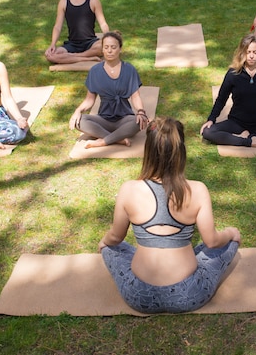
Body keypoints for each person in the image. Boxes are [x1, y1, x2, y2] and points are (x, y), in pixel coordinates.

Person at [99, 116, 241, 314]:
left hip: (139, 295)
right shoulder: (197, 190)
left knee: (112, 249)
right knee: (227, 245)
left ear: (148, 151)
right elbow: (212, 241)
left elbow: (115, 237)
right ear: (181, 151)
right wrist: (231, 233)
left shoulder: (129, 189)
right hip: (189, 294)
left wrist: (104, 242)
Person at [69, 31, 148, 148]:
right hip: (103, 119)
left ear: (120, 49)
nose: (109, 51)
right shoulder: (95, 71)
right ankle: (118, 139)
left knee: (137, 122)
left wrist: (141, 112)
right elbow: (89, 100)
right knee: (81, 120)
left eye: (113, 47)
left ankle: (103, 141)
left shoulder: (129, 69)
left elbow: (135, 96)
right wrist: (77, 111)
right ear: (102, 50)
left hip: (124, 119)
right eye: (106, 47)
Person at [45, 0, 109, 64]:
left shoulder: (94, 1)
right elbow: (57, 27)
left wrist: (109, 39)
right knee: (50, 55)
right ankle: (87, 58)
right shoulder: (63, 3)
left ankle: (74, 57)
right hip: (72, 44)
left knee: (101, 47)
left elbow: (103, 24)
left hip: (90, 42)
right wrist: (53, 44)